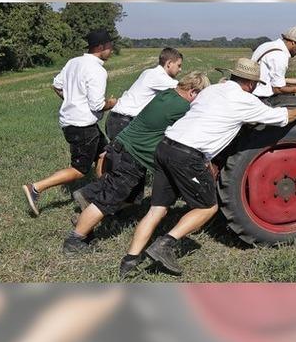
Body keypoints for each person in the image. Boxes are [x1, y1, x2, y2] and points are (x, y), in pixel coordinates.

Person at [119, 58, 296, 277]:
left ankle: (129, 261)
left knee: (157, 209)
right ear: (250, 84)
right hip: (187, 154)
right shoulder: (244, 100)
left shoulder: (211, 91)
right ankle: (165, 244)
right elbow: (279, 117)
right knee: (207, 207)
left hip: (165, 146)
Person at [63, 72, 211, 256]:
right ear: (193, 92)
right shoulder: (182, 106)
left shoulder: (167, 93)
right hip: (132, 156)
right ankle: (75, 239)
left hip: (120, 146)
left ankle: (87, 198)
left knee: (110, 191)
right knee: (108, 200)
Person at [22, 29, 117, 216]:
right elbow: (97, 104)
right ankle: (35, 188)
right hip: (82, 126)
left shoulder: (74, 62)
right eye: (109, 45)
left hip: (76, 123)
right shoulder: (97, 70)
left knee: (104, 152)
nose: (112, 49)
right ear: (100, 47)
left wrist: (71, 101)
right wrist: (112, 103)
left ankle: (100, 193)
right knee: (80, 169)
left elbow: (56, 85)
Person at [105, 47, 183, 141]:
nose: (180, 69)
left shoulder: (149, 72)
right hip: (123, 122)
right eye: (178, 65)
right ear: (169, 63)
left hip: (117, 119)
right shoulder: (157, 76)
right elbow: (184, 90)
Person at [251, 26, 296, 99]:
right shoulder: (280, 56)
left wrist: (295, 81)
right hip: (262, 97)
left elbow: (269, 77)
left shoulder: (267, 45)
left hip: (253, 90)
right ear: (293, 42)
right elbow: (277, 89)